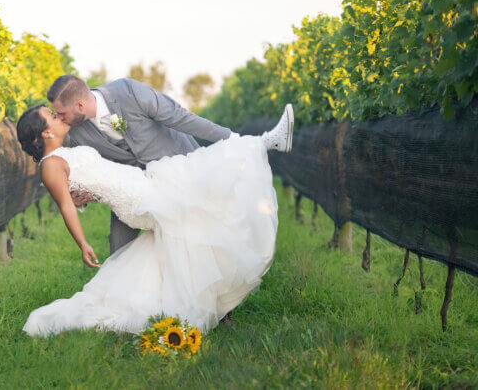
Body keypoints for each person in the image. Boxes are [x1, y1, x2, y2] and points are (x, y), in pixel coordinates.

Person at [16, 94, 294, 336]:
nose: (58, 115)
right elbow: (66, 205)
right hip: (137, 200)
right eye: (51, 116)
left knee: (198, 197)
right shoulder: (50, 165)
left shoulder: (67, 149)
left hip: (143, 182)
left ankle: (205, 299)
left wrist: (86, 194)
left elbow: (86, 183)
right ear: (44, 134)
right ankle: (264, 142)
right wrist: (82, 244)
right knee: (201, 181)